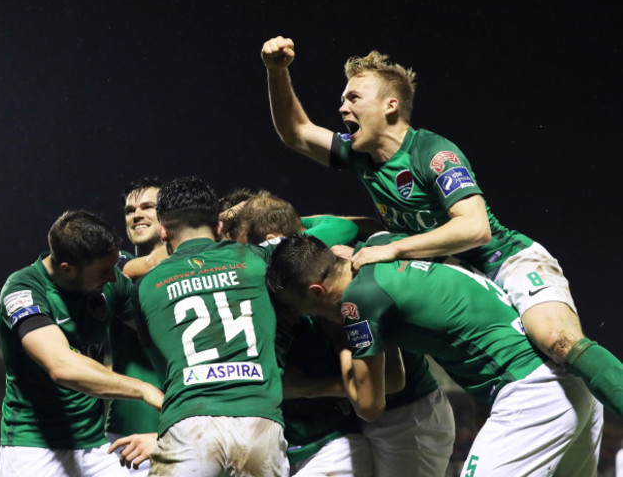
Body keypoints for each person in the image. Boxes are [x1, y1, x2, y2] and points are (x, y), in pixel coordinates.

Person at [261, 36, 623, 418]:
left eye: (354, 98)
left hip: (504, 260)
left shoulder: (432, 154)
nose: (342, 107)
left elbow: (476, 228)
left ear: (390, 105)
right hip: (456, 274)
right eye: (343, 99)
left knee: (556, 339)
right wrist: (277, 72)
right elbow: (296, 133)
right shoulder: (359, 155)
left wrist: (392, 248)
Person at [266, 234, 603, 476]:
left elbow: (370, 406)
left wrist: (337, 342)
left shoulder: (357, 304)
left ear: (316, 290)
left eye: (306, 309)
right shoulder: (384, 247)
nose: (311, 317)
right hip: (570, 382)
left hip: (531, 392)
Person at [240, 193, 454, 477]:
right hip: (380, 421)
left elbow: (386, 386)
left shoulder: (359, 293)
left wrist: (311, 379)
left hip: (408, 414)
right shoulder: (330, 268)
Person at [132, 176, 289, 476]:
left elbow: (160, 364)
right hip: (259, 420)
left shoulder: (146, 286)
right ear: (218, 228)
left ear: (163, 232)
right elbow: (335, 229)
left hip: (189, 423)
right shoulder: (258, 258)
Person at [0, 209, 164, 477]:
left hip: (96, 447)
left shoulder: (110, 282)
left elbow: (159, 331)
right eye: (104, 271)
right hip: (34, 448)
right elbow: (61, 366)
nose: (113, 277)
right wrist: (143, 389)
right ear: (68, 269)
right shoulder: (24, 290)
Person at [106, 178, 166, 475]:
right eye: (130, 210)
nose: (136, 215)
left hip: (184, 427)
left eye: (147, 207)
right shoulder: (114, 265)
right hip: (126, 432)